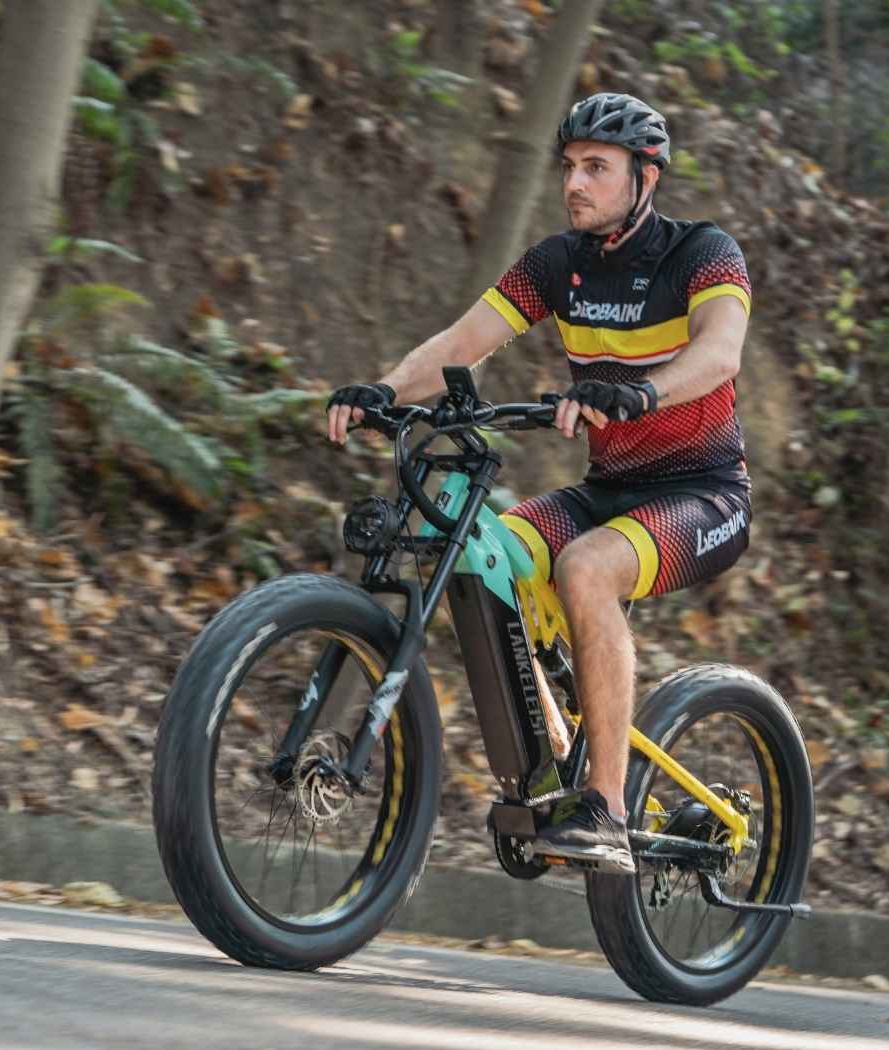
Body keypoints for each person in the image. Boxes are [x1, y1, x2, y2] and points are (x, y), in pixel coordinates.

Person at [324, 92, 754, 876]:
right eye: (570, 167)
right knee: (488, 558)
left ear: (644, 176)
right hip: (606, 489)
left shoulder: (704, 253)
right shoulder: (560, 263)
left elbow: (720, 353)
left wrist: (644, 390)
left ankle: (609, 811)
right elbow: (464, 341)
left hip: (701, 495)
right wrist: (384, 390)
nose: (575, 184)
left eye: (597, 168)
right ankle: (557, 768)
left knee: (586, 568)